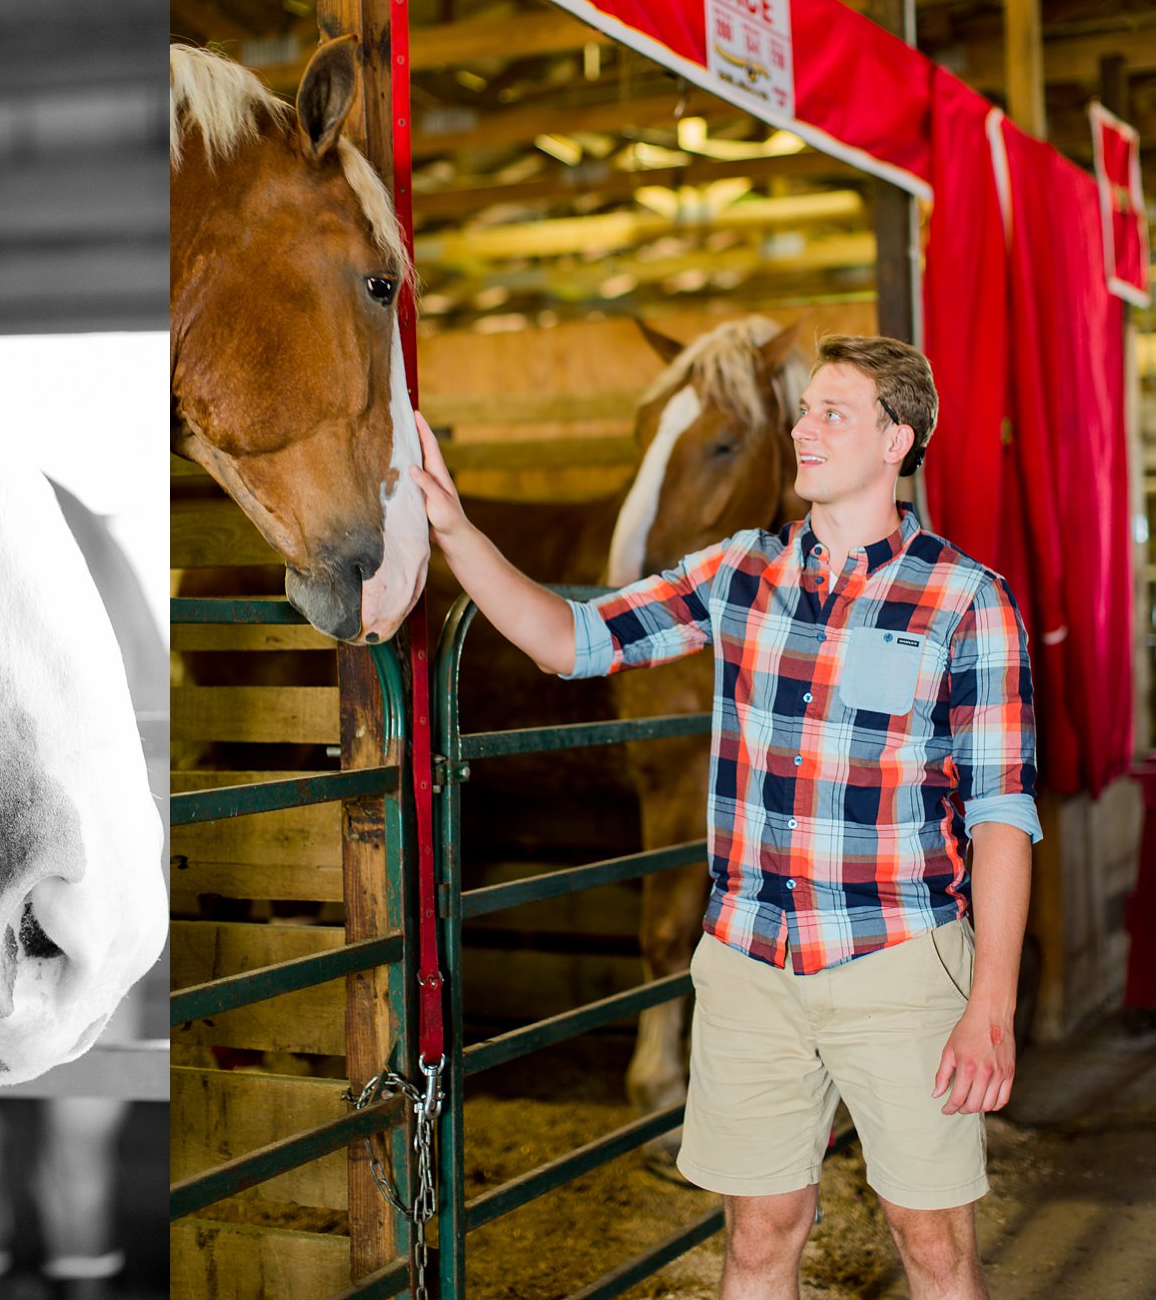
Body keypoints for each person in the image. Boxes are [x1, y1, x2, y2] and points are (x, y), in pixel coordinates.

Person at [411, 334, 1037, 1300]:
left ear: (897, 441)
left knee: (933, 1241)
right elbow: (569, 639)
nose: (802, 427)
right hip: (751, 963)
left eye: (833, 412)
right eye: (805, 410)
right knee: (757, 1238)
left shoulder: (966, 600)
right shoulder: (740, 572)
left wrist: (989, 1005)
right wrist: (454, 530)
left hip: (901, 962)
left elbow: (1000, 814)